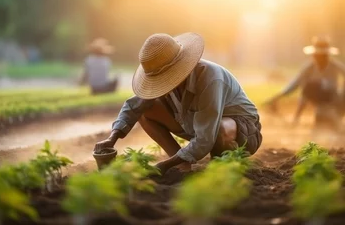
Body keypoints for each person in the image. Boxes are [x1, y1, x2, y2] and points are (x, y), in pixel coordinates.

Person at [94, 33, 262, 175]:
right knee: (145, 110)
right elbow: (132, 107)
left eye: (164, 80)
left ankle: (217, 167)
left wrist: (164, 166)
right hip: (197, 125)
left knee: (219, 129)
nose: (161, 85)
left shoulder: (210, 78)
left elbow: (205, 138)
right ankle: (181, 164)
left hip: (242, 130)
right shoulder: (163, 80)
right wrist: (112, 138)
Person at [265, 36, 345, 130]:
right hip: (320, 101)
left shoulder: (334, 65)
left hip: (334, 100)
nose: (319, 57)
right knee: (310, 86)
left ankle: (334, 116)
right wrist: (278, 97)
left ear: (327, 55)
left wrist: (341, 95)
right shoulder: (310, 67)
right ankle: (317, 116)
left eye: (322, 55)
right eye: (317, 55)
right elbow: (296, 83)